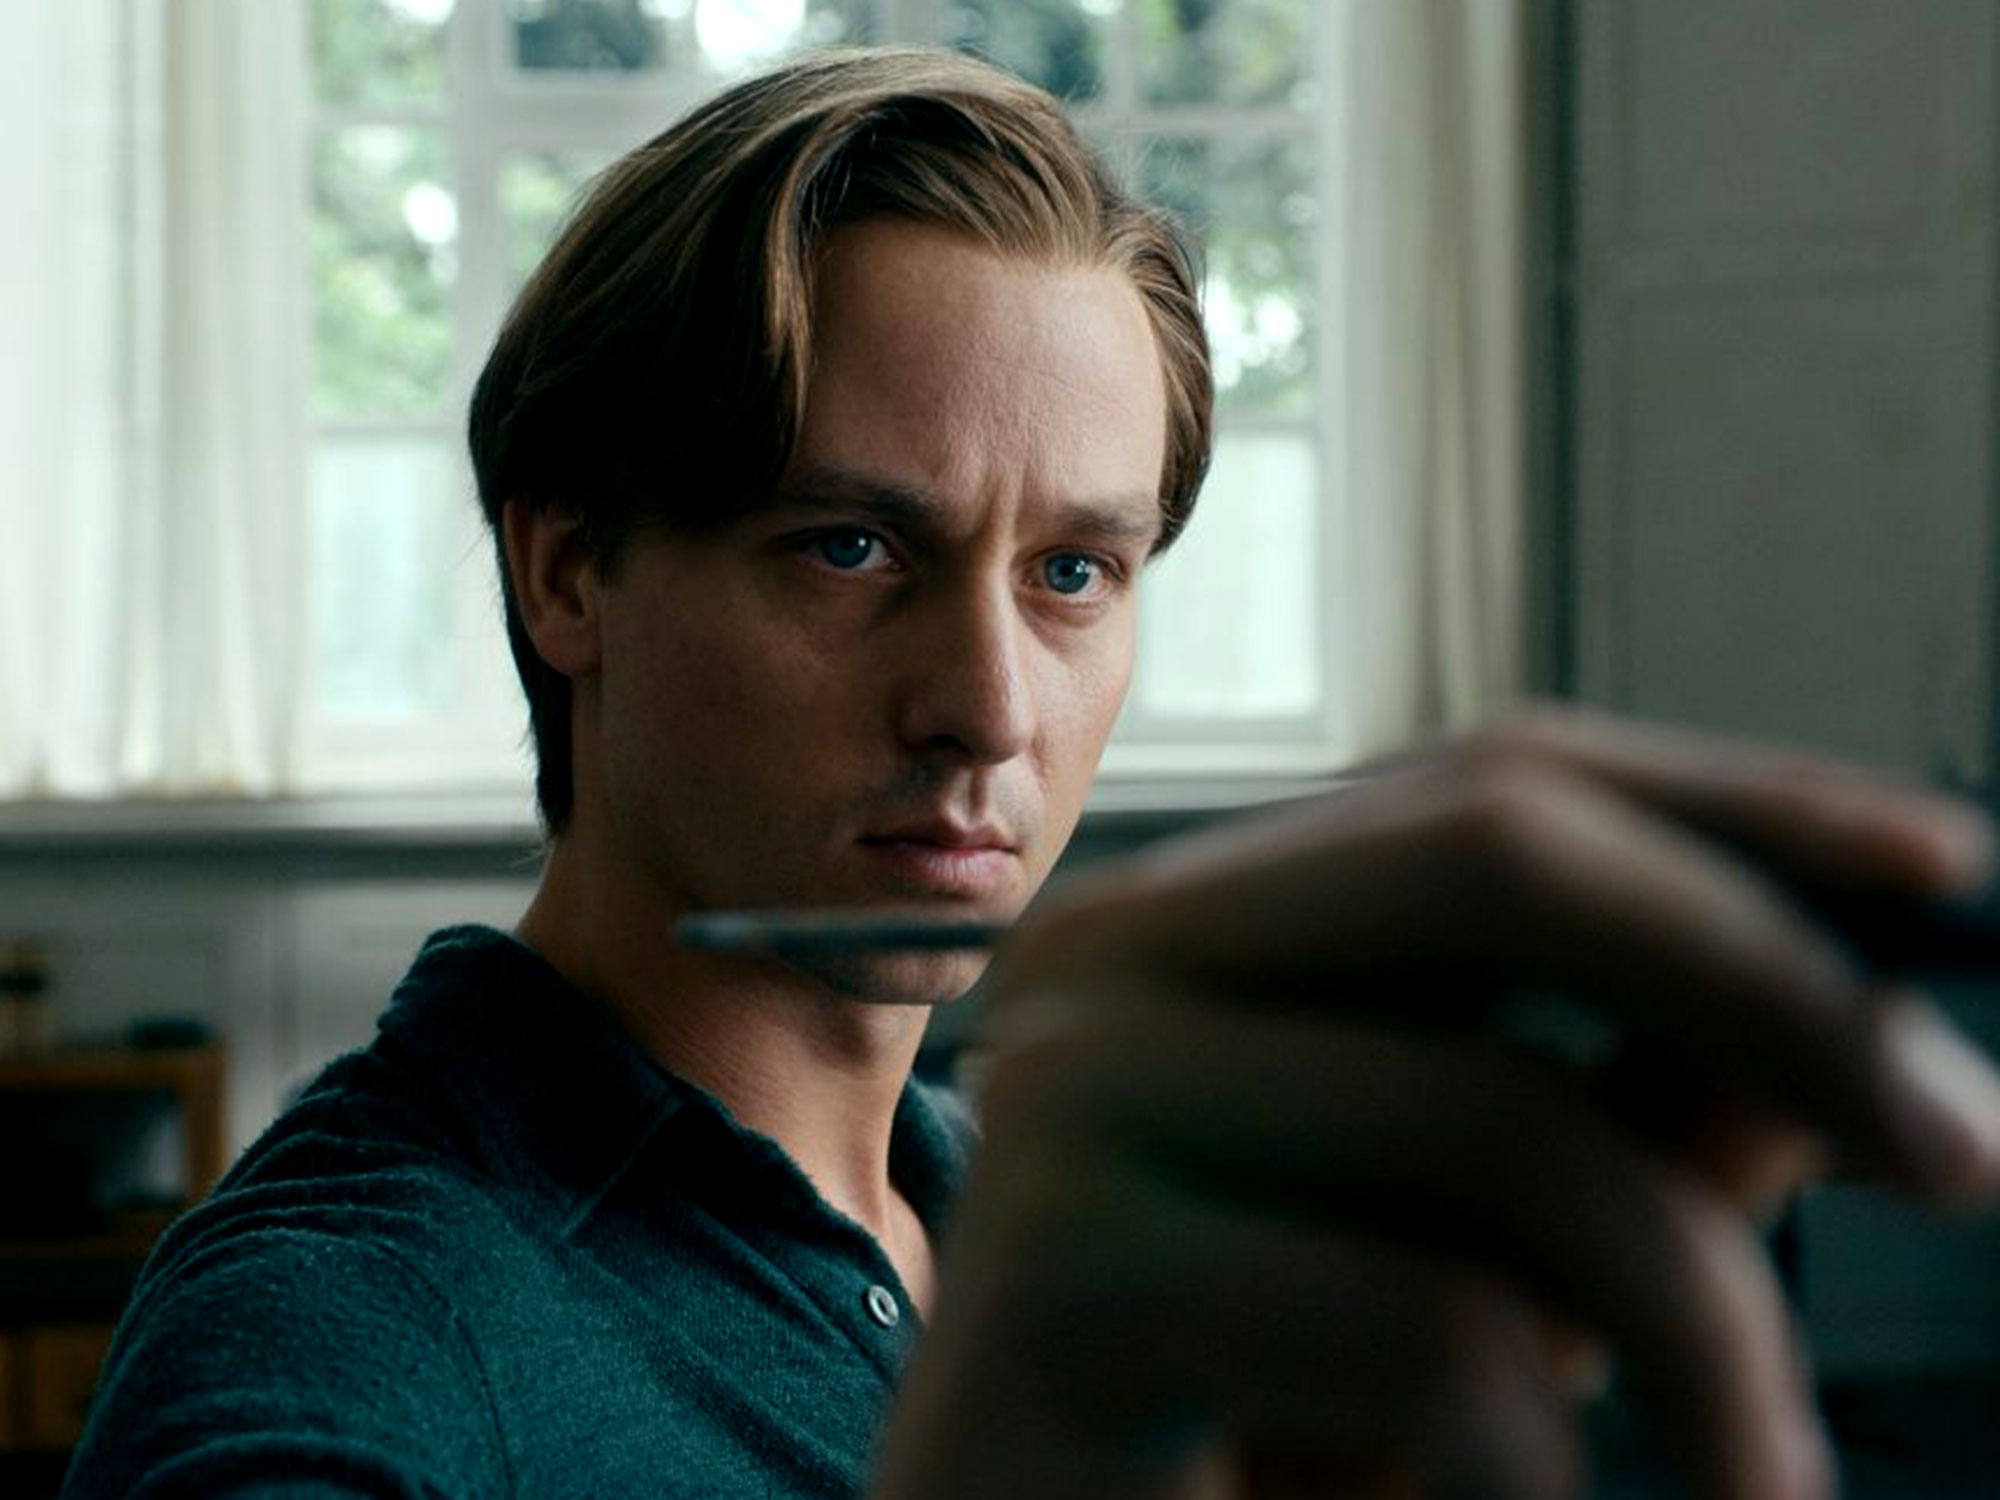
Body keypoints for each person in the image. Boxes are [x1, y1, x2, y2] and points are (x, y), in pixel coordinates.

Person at [63, 45, 2000, 1500]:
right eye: (850, 548)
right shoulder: (331, 1348)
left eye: (1073, 573)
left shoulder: (1040, 1227)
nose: (988, 708)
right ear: (569, 570)